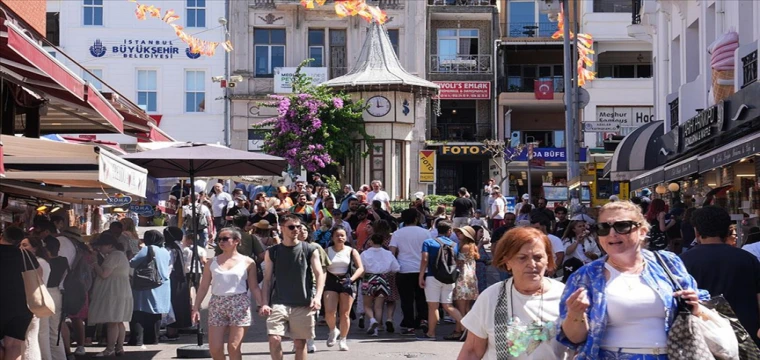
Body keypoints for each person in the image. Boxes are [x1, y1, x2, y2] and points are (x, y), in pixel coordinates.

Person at [559, 200, 708, 359]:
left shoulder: (667, 263)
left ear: (642, 231)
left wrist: (696, 306)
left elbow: (701, 305)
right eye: (603, 228)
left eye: (622, 226)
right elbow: (574, 338)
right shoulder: (585, 276)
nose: (612, 234)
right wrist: (575, 313)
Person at [457, 227, 572, 360]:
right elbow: (472, 351)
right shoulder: (491, 297)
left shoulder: (565, 296)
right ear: (507, 262)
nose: (532, 264)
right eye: (522, 258)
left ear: (548, 260)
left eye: (538, 257)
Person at [680, 206, 760, 346]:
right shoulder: (748, 259)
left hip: (701, 337)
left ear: (697, 231)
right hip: (745, 337)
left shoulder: (682, 261)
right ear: (728, 230)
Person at [260, 214, 326, 360]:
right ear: (282, 228)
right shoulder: (273, 252)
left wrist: (317, 297)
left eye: (298, 226)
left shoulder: (309, 249)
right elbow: (267, 280)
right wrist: (264, 303)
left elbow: (320, 274)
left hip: (303, 303)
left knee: (300, 343)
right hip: (279, 302)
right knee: (274, 339)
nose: (296, 230)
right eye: (291, 227)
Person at [192, 228, 263, 360]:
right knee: (215, 349)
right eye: (219, 239)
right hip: (217, 303)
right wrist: (196, 307)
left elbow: (254, 287)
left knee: (234, 347)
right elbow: (203, 287)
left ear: (236, 241)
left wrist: (262, 304)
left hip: (239, 303)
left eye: (225, 239)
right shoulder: (211, 262)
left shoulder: (248, 262)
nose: (221, 242)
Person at [87, 232, 132, 357]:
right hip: (121, 290)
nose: (99, 248)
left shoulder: (114, 256)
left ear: (109, 245)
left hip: (114, 291)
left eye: (101, 246)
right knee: (119, 321)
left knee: (112, 320)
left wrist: (95, 262)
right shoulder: (120, 255)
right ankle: (119, 348)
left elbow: (104, 274)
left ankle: (110, 348)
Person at [418, 220, 463, 340]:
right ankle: (468, 327)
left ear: (437, 230)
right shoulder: (455, 245)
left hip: (433, 277)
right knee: (448, 305)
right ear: (449, 231)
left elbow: (425, 259)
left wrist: (421, 275)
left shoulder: (428, 242)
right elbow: (458, 261)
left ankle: (431, 333)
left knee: (433, 307)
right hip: (449, 277)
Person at [390, 209, 432, 335]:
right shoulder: (425, 233)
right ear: (416, 218)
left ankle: (409, 324)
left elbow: (392, 252)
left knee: (406, 299)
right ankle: (423, 319)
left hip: (404, 269)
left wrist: (394, 266)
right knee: (422, 297)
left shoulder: (397, 234)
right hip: (423, 269)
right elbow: (430, 250)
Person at [1, 227, 40, 360]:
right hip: (22, 305)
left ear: (2, 236)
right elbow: (39, 275)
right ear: (19, 241)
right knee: (14, 345)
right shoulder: (25, 255)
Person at [324, 226, 364, 351]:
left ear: (346, 237)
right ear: (332, 237)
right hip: (331, 281)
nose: (340, 238)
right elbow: (322, 268)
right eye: (337, 235)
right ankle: (332, 330)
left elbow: (360, 268)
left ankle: (343, 339)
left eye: (342, 235)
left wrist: (351, 280)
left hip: (347, 281)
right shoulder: (326, 251)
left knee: (345, 314)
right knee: (330, 311)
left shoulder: (351, 251)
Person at [128, 230, 171, 346]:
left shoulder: (148, 249)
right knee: (155, 312)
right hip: (162, 284)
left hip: (146, 283)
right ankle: (153, 338)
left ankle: (137, 339)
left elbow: (133, 262)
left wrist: (133, 252)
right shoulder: (165, 251)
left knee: (139, 311)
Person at [360, 233, 401, 336]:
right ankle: (376, 329)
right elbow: (396, 268)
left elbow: (361, 268)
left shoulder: (364, 254)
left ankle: (372, 320)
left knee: (367, 305)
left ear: (371, 242)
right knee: (379, 307)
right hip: (383, 279)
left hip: (368, 278)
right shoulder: (388, 254)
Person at [19, 236, 51, 360]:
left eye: (25, 245)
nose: (21, 247)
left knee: (32, 339)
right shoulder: (42, 262)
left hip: (33, 301)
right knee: (37, 337)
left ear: (35, 247)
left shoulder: (37, 263)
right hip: (38, 301)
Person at [163, 227, 193, 340]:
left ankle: (171, 332)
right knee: (178, 305)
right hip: (181, 279)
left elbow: (169, 267)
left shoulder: (170, 249)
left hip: (173, 280)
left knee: (172, 305)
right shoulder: (179, 246)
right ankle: (175, 330)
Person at [452, 226, 479, 341]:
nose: (458, 234)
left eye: (461, 233)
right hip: (471, 277)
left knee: (460, 307)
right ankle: (465, 330)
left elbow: (459, 262)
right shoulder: (474, 246)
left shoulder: (464, 247)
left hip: (462, 277)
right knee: (466, 307)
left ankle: (461, 331)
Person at [44, 237, 69, 360]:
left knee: (43, 331)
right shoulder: (64, 261)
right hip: (57, 294)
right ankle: (60, 357)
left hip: (45, 293)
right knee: (55, 331)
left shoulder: (42, 262)